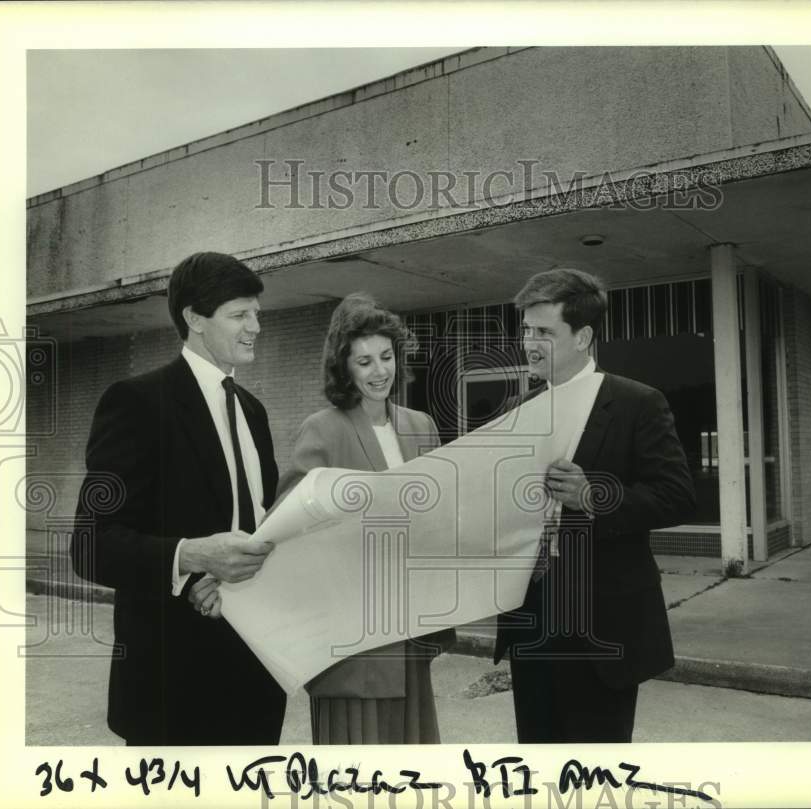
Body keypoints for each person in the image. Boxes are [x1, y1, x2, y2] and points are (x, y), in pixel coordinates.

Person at [70, 251, 286, 745]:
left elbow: (256, 528)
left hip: (255, 678)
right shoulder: (137, 402)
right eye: (239, 315)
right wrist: (191, 557)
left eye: (257, 313)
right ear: (194, 318)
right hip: (172, 688)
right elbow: (91, 544)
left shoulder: (254, 412)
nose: (255, 326)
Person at [494, 268, 696, 743]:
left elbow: (677, 496)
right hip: (532, 622)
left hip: (603, 630)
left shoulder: (637, 403)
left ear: (582, 336)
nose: (529, 342)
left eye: (544, 332)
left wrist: (593, 495)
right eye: (526, 330)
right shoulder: (516, 411)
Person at [275, 293, 451, 744]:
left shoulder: (421, 425)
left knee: (410, 758)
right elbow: (291, 523)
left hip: (410, 624)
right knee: (356, 758)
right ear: (344, 368)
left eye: (387, 357)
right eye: (365, 361)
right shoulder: (323, 428)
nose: (380, 372)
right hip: (352, 631)